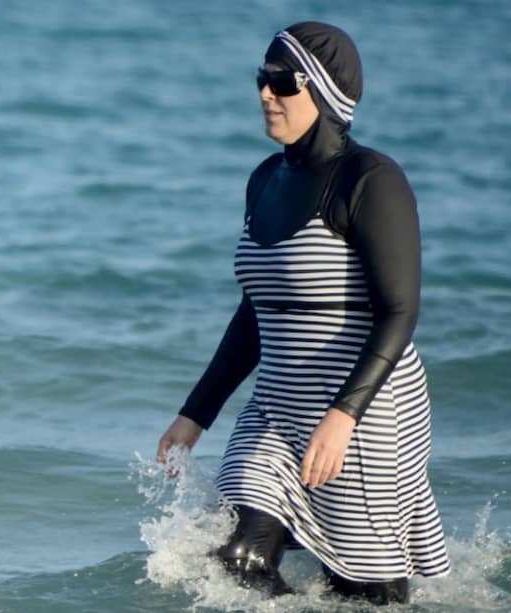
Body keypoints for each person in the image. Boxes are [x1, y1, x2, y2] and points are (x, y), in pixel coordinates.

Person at [156, 22, 451, 605]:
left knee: (366, 596)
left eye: (282, 81)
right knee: (234, 557)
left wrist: (344, 415)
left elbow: (400, 311)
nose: (266, 93)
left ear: (322, 90)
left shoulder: (372, 181)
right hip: (276, 406)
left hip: (366, 411)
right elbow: (255, 314)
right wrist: (196, 415)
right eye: (261, 79)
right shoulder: (264, 179)